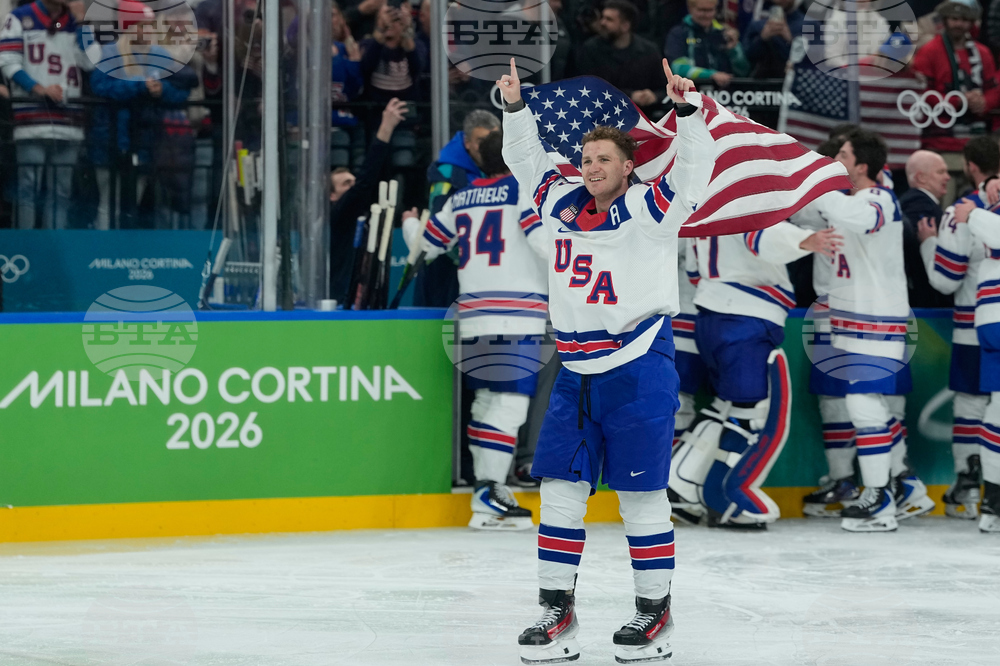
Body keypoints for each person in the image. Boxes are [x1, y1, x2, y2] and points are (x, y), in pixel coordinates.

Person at [498, 56, 712, 664]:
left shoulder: (651, 210)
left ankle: (654, 612)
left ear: (628, 165)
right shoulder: (559, 202)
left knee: (641, 496)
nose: (591, 166)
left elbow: (693, 173)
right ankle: (557, 611)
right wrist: (515, 108)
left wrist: (688, 112)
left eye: (604, 159)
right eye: (587, 158)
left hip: (638, 365)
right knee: (560, 491)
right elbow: (527, 160)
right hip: (575, 371)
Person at [402, 130, 548, 530]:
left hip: (471, 316)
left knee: (486, 402)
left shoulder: (461, 198)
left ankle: (486, 492)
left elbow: (425, 246)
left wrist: (410, 222)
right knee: (509, 406)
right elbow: (547, 246)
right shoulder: (524, 191)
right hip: (516, 315)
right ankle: (489, 492)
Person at [670, 221, 842, 528]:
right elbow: (760, 233)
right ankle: (726, 497)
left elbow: (695, 270)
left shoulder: (706, 203)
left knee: (725, 407)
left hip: (710, 313)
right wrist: (805, 238)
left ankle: (679, 481)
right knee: (752, 416)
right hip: (746, 316)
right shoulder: (744, 196)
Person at [804, 130, 932, 532]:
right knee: (868, 407)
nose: (835, 160)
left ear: (861, 166)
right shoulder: (848, 200)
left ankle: (880, 500)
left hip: (876, 319)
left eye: (842, 155)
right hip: (855, 320)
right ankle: (898, 489)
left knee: (863, 405)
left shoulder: (879, 199)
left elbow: (860, 217)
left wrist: (816, 179)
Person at [921, 136, 1000, 520]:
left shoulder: (961, 211)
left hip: (976, 322)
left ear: (970, 166)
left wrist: (928, 245)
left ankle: (969, 489)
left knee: (972, 405)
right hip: (986, 321)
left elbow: (945, 279)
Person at [0, 0, 94, 229]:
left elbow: (91, 62)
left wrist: (82, 23)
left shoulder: (74, 21)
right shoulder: (20, 17)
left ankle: (55, 243)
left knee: (61, 191)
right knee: (28, 188)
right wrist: (39, 88)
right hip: (32, 119)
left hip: (69, 121)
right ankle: (27, 244)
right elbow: (8, 61)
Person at [415, 109, 500, 307]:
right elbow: (440, 227)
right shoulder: (447, 174)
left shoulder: (496, 168)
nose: (487, 147)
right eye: (481, 141)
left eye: (493, 140)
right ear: (467, 142)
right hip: (446, 274)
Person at [329, 98, 408, 305]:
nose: (352, 187)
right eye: (345, 184)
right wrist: (385, 128)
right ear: (332, 196)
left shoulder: (360, 216)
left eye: (352, 182)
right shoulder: (337, 215)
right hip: (338, 300)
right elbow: (364, 182)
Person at [956, 179, 1000, 533]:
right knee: (996, 413)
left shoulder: (984, 213)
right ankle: (994, 498)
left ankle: (993, 500)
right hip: (991, 319)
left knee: (996, 413)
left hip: (990, 317)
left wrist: (973, 214)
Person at [910, 2, 1000, 159]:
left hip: (978, 141)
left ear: (972, 23)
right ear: (945, 20)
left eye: (964, 20)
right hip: (938, 141)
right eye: (954, 19)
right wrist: (958, 101)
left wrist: (984, 102)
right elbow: (921, 93)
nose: (959, 24)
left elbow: (993, 89)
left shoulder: (983, 53)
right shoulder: (929, 51)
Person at [568, 0, 667, 113]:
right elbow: (590, 90)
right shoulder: (591, 49)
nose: (602, 22)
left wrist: (654, 96)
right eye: (602, 17)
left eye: (609, 19)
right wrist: (630, 96)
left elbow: (663, 88)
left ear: (625, 26)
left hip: (644, 114)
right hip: (603, 115)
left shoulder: (648, 51)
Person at [900, 150, 952, 308]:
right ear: (921, 177)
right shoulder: (920, 205)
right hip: (926, 302)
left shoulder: (919, 203)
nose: (948, 177)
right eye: (941, 172)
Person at [664, 0, 750, 88]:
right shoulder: (679, 34)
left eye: (710, 10)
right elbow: (678, 68)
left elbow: (744, 72)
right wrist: (711, 75)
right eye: (702, 10)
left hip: (724, 93)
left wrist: (734, 50)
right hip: (691, 91)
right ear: (690, 9)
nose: (706, 15)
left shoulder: (724, 34)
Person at [742, 0, 804, 79]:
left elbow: (811, 61)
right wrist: (762, 38)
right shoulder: (758, 26)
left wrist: (790, 40)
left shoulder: (808, 26)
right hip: (762, 83)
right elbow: (746, 57)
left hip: (795, 82)